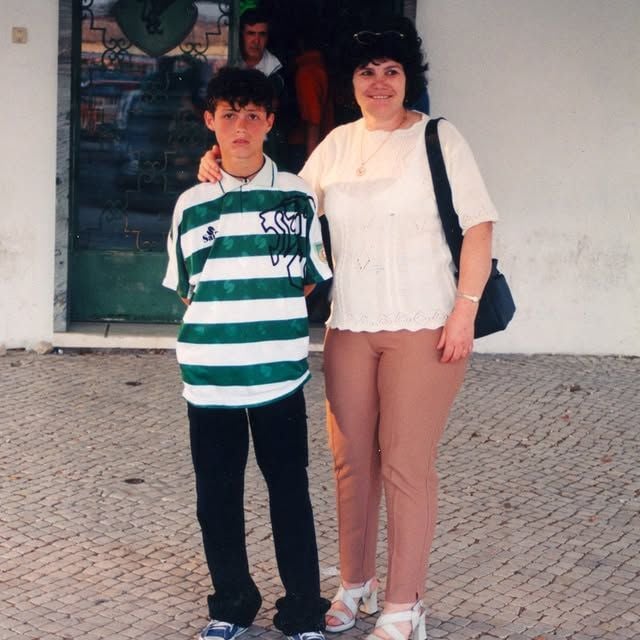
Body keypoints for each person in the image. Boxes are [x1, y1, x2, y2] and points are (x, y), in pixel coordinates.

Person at [197, 16, 499, 640]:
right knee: (351, 465)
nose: (379, 82)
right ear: (351, 82)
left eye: (391, 70)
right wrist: (221, 160)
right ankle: (355, 586)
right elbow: (280, 208)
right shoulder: (335, 145)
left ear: (408, 77)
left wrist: (465, 311)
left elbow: (478, 228)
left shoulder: (441, 140)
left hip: (426, 326)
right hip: (350, 328)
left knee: (405, 467)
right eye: (367, 72)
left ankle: (403, 604)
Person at [163, 66, 331, 640]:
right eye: (229, 115)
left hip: (279, 376)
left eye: (252, 115)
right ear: (211, 122)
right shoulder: (190, 203)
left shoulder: (298, 195)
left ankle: (304, 611)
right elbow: (188, 287)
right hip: (209, 380)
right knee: (217, 497)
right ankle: (232, 603)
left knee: (289, 493)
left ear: (270, 123)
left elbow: (307, 279)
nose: (241, 127)